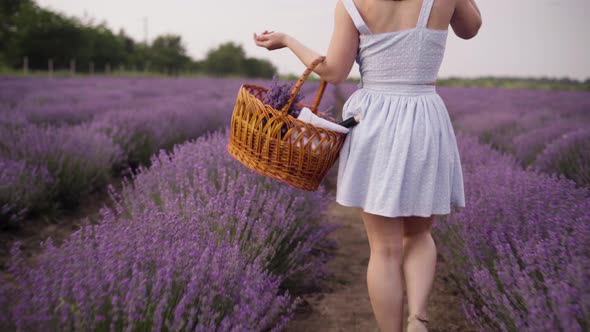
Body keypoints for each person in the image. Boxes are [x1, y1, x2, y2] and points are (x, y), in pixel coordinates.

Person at [254, 0, 481, 331]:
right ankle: (417, 318)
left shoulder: (351, 3)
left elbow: (334, 71)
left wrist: (287, 40)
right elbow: (470, 28)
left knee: (385, 249)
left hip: (374, 120)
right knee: (419, 234)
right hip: (424, 115)